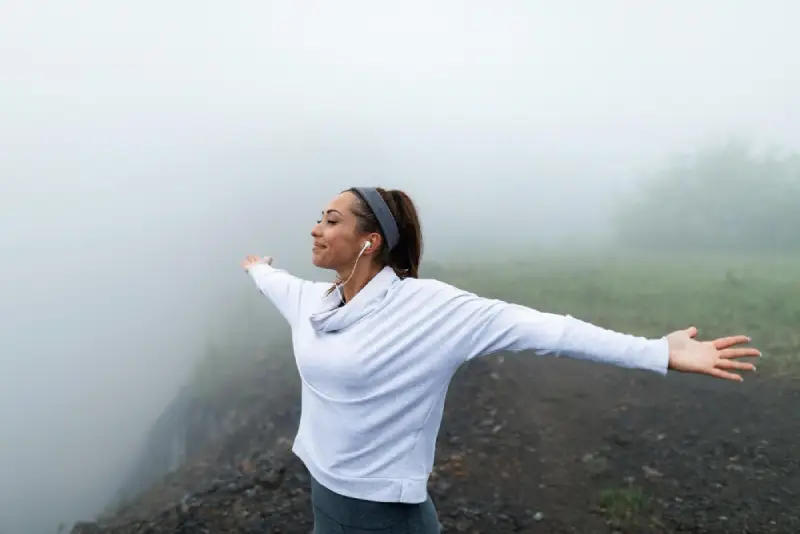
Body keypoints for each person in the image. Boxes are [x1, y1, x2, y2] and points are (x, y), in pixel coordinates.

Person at [241, 186, 760, 534]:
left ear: (370, 241)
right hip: (323, 494)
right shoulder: (313, 302)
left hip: (387, 514)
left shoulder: (432, 309)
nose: (315, 228)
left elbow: (547, 329)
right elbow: (275, 283)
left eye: (331, 221)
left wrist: (658, 351)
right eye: (318, 219)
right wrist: (258, 268)